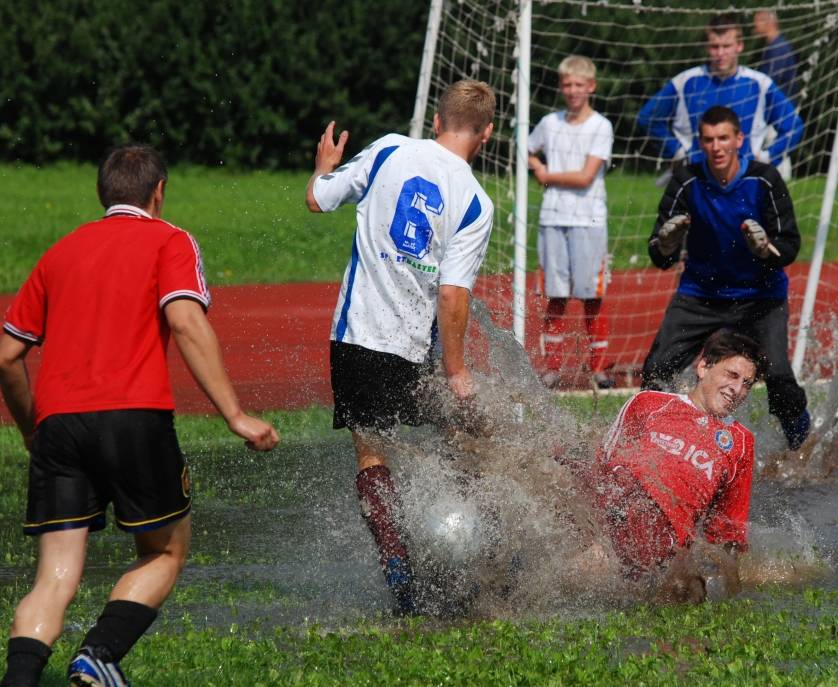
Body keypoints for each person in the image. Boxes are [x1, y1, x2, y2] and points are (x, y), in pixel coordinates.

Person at [0, 144, 280, 687]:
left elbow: (8, 358)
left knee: (54, 576)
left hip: (58, 425)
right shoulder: (169, 239)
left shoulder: (59, 253)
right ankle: (98, 655)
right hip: (134, 415)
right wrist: (235, 415)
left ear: (103, 194)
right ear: (159, 192)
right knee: (165, 549)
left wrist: (34, 428)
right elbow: (186, 322)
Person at [305, 79, 496, 615]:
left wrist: (324, 168)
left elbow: (318, 201)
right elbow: (453, 295)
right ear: (486, 133)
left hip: (356, 338)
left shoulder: (389, 147)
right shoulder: (476, 202)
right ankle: (489, 554)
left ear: (435, 121)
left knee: (371, 454)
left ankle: (400, 571)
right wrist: (456, 370)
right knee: (475, 439)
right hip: (415, 352)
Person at [641, 105, 811, 451]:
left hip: (759, 297)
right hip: (700, 295)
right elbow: (659, 255)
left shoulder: (764, 179)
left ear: (739, 139)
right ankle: (652, 447)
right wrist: (668, 243)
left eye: (723, 138)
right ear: (700, 143)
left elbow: (790, 245)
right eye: (708, 140)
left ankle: (803, 446)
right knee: (656, 371)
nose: (716, 147)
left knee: (778, 377)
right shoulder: (686, 179)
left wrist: (766, 250)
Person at [592, 330, 765, 598]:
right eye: (732, 375)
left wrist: (728, 587)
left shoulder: (741, 442)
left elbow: (726, 531)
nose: (737, 389)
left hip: (660, 547)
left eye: (747, 383)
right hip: (610, 521)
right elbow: (601, 465)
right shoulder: (647, 403)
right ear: (704, 367)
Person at [527, 55, 616, 389]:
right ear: (561, 86)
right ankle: (551, 368)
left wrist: (547, 174)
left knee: (592, 296)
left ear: (591, 87)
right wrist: (536, 165)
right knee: (556, 296)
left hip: (589, 221)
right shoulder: (550, 123)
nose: (573, 90)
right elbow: (527, 148)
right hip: (553, 218)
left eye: (579, 84)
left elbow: (585, 177)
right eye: (567, 84)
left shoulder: (601, 126)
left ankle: (598, 368)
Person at [637, 12, 803, 176]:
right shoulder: (687, 81)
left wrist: (767, 158)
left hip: (744, 181)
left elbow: (793, 127)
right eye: (715, 47)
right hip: (695, 179)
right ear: (707, 47)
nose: (720, 53)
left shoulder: (759, 84)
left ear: (739, 46)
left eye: (726, 46)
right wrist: (677, 151)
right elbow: (648, 117)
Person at [752, 10, 798, 101]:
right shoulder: (773, 44)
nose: (754, 27)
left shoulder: (778, 47)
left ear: (768, 23)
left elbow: (770, 79)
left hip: (781, 104)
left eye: (756, 23)